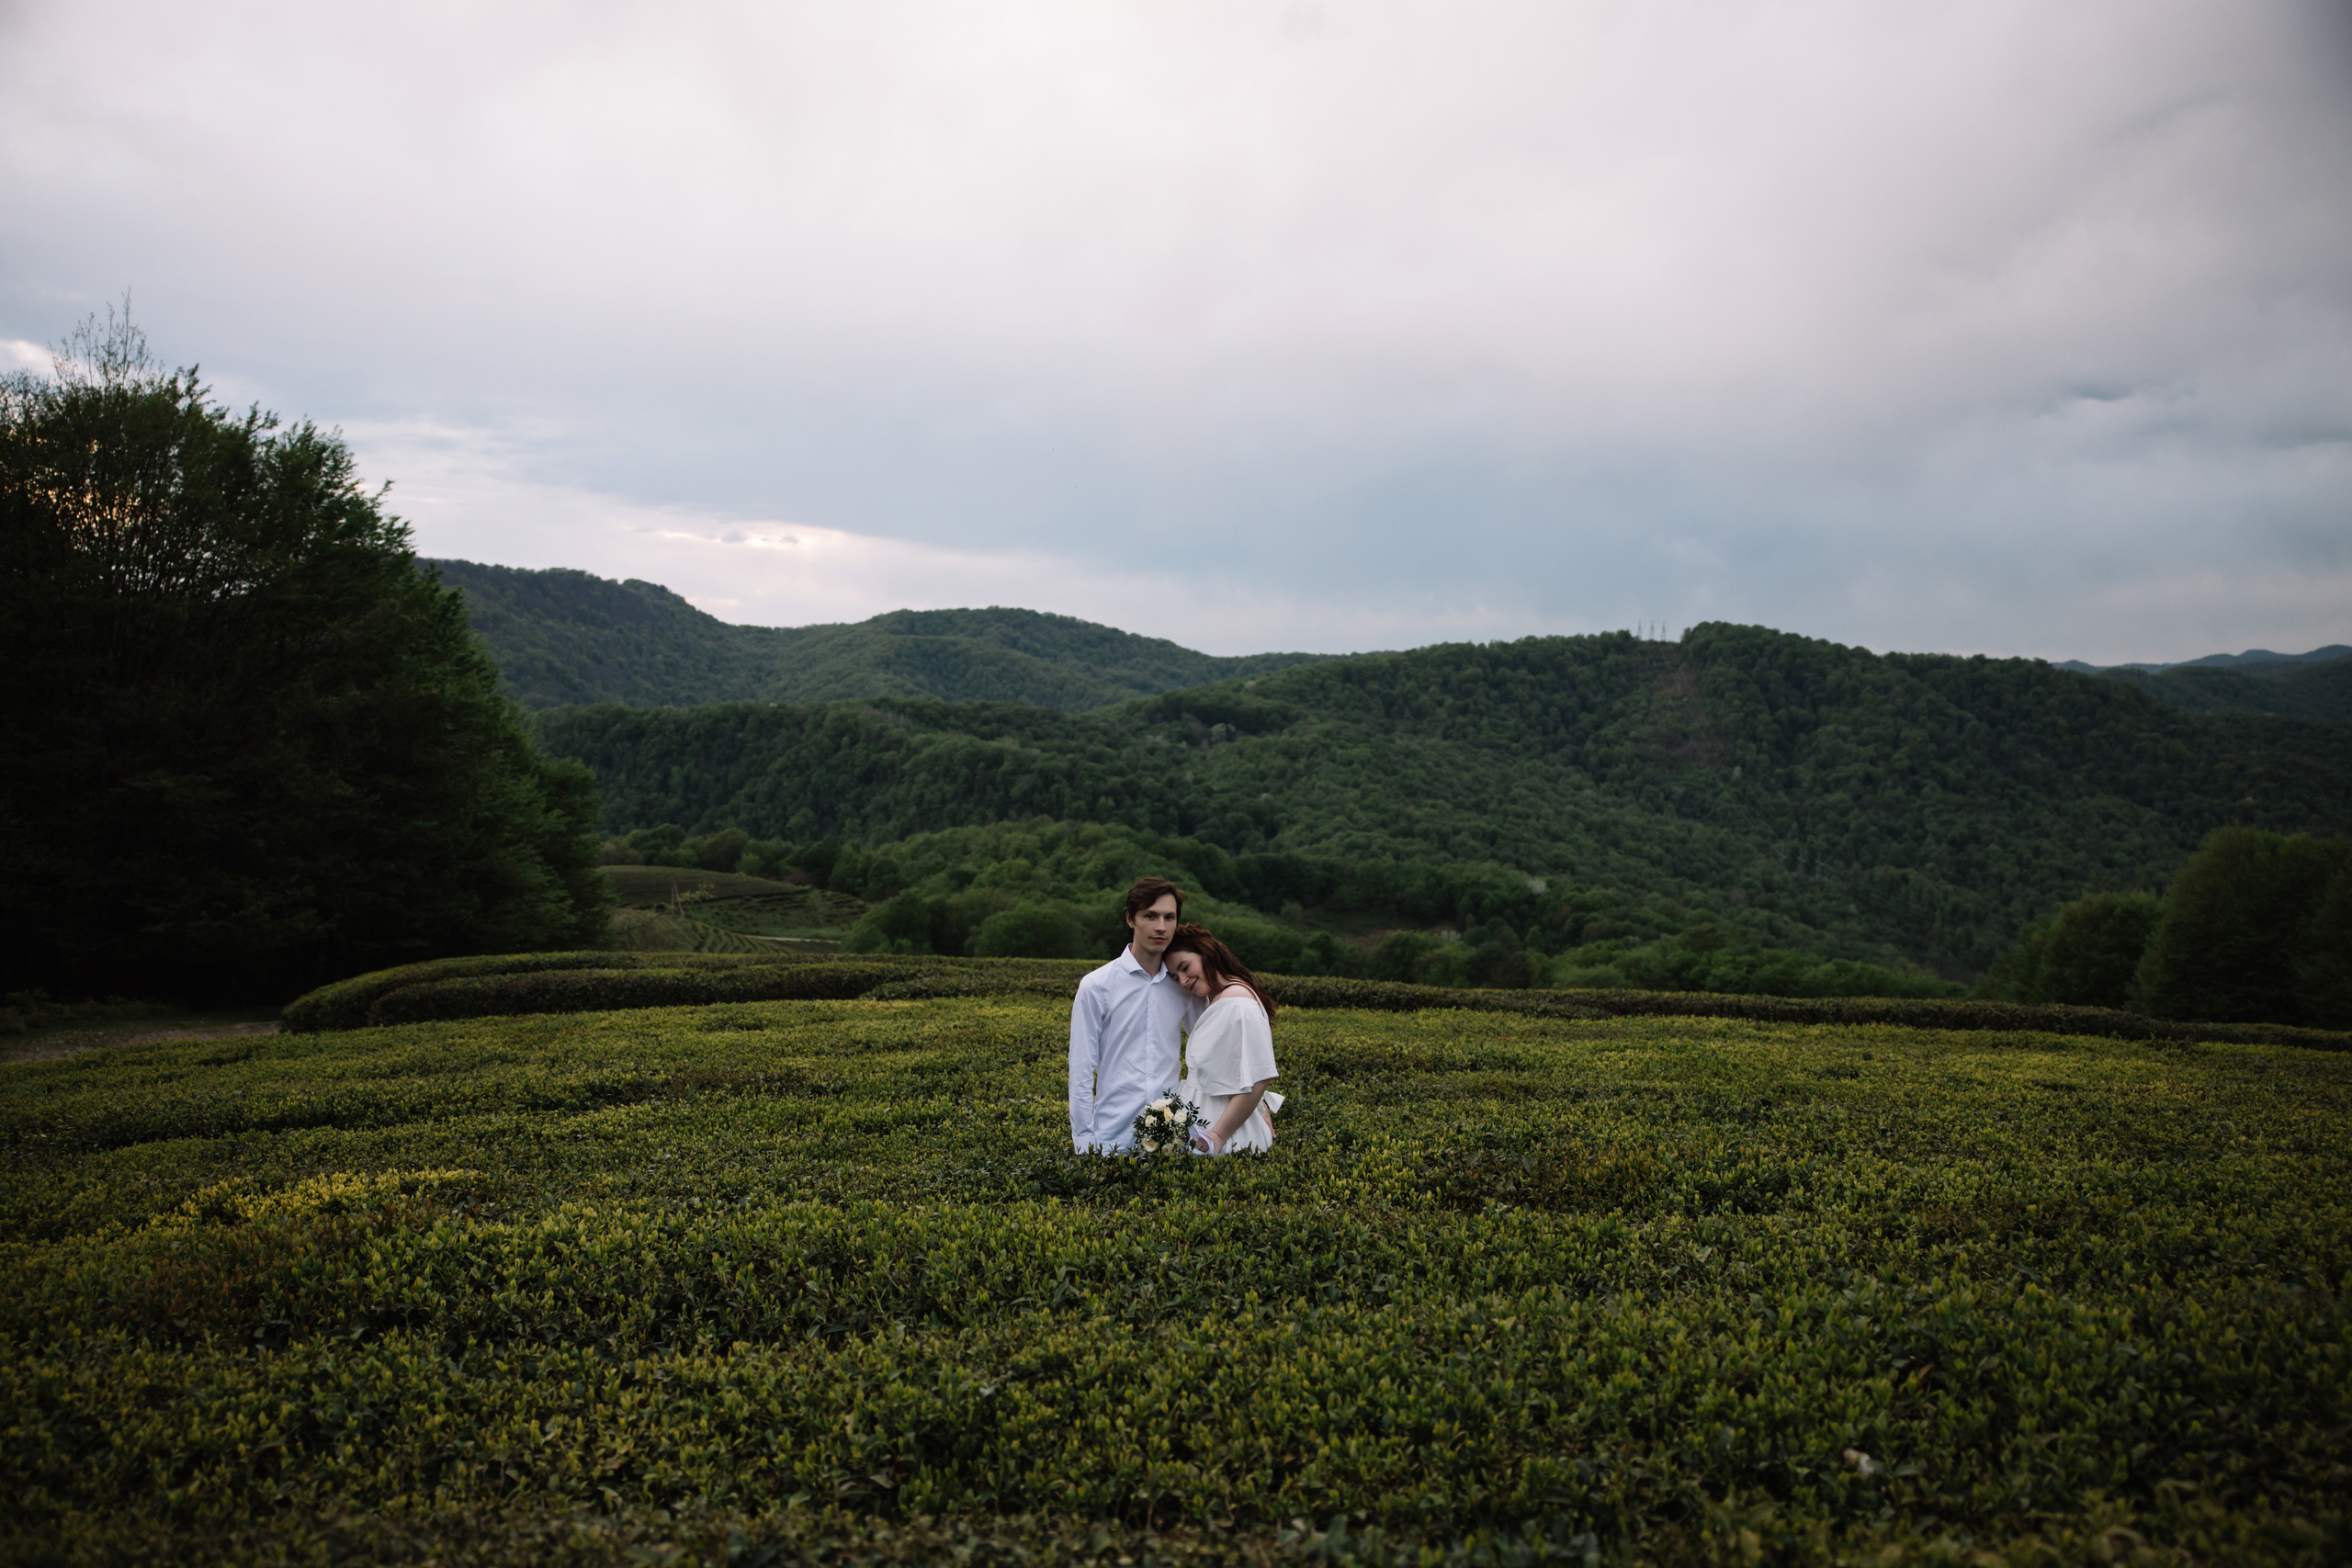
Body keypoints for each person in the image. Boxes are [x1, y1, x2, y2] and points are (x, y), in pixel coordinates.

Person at [1069, 877, 1204, 1154]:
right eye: (1150, 916)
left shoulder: (1185, 986)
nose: (1161, 927)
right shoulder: (1096, 986)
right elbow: (1081, 1070)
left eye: (1169, 917)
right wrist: (1083, 1141)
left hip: (1172, 1140)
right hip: (1111, 1138)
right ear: (1130, 919)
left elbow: (1210, 1052)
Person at [1164, 924, 1283, 1155]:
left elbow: (1259, 1079)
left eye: (1185, 967)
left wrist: (1217, 1136)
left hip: (1224, 1136)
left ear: (1206, 952)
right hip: (1205, 1128)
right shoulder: (1217, 999)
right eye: (1175, 977)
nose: (1183, 981)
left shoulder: (1238, 1004)